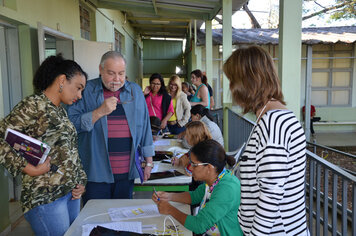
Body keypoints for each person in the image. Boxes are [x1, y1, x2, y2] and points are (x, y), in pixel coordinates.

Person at [223, 45, 309, 235]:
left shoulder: (273, 124)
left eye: (232, 81)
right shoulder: (271, 117)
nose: (230, 88)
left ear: (245, 83)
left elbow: (271, 196)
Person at [0, 55, 87, 236]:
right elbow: (2, 138)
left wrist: (80, 180)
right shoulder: (33, 105)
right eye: (78, 88)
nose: (80, 95)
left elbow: (69, 151)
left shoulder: (60, 110)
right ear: (62, 80)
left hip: (69, 193)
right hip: (46, 197)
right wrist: (27, 168)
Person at [67, 51, 154, 204]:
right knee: (97, 224)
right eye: (111, 73)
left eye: (121, 73)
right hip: (95, 174)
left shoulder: (135, 92)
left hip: (126, 173)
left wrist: (149, 162)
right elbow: (70, 125)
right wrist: (99, 112)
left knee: (122, 219)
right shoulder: (86, 91)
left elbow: (145, 126)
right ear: (100, 70)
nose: (117, 79)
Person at [153, 139, 243, 236]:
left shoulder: (227, 189)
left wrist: (170, 210)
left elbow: (199, 225)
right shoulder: (216, 178)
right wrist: (168, 196)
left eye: (194, 165)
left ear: (209, 167)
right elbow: (195, 196)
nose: (190, 168)